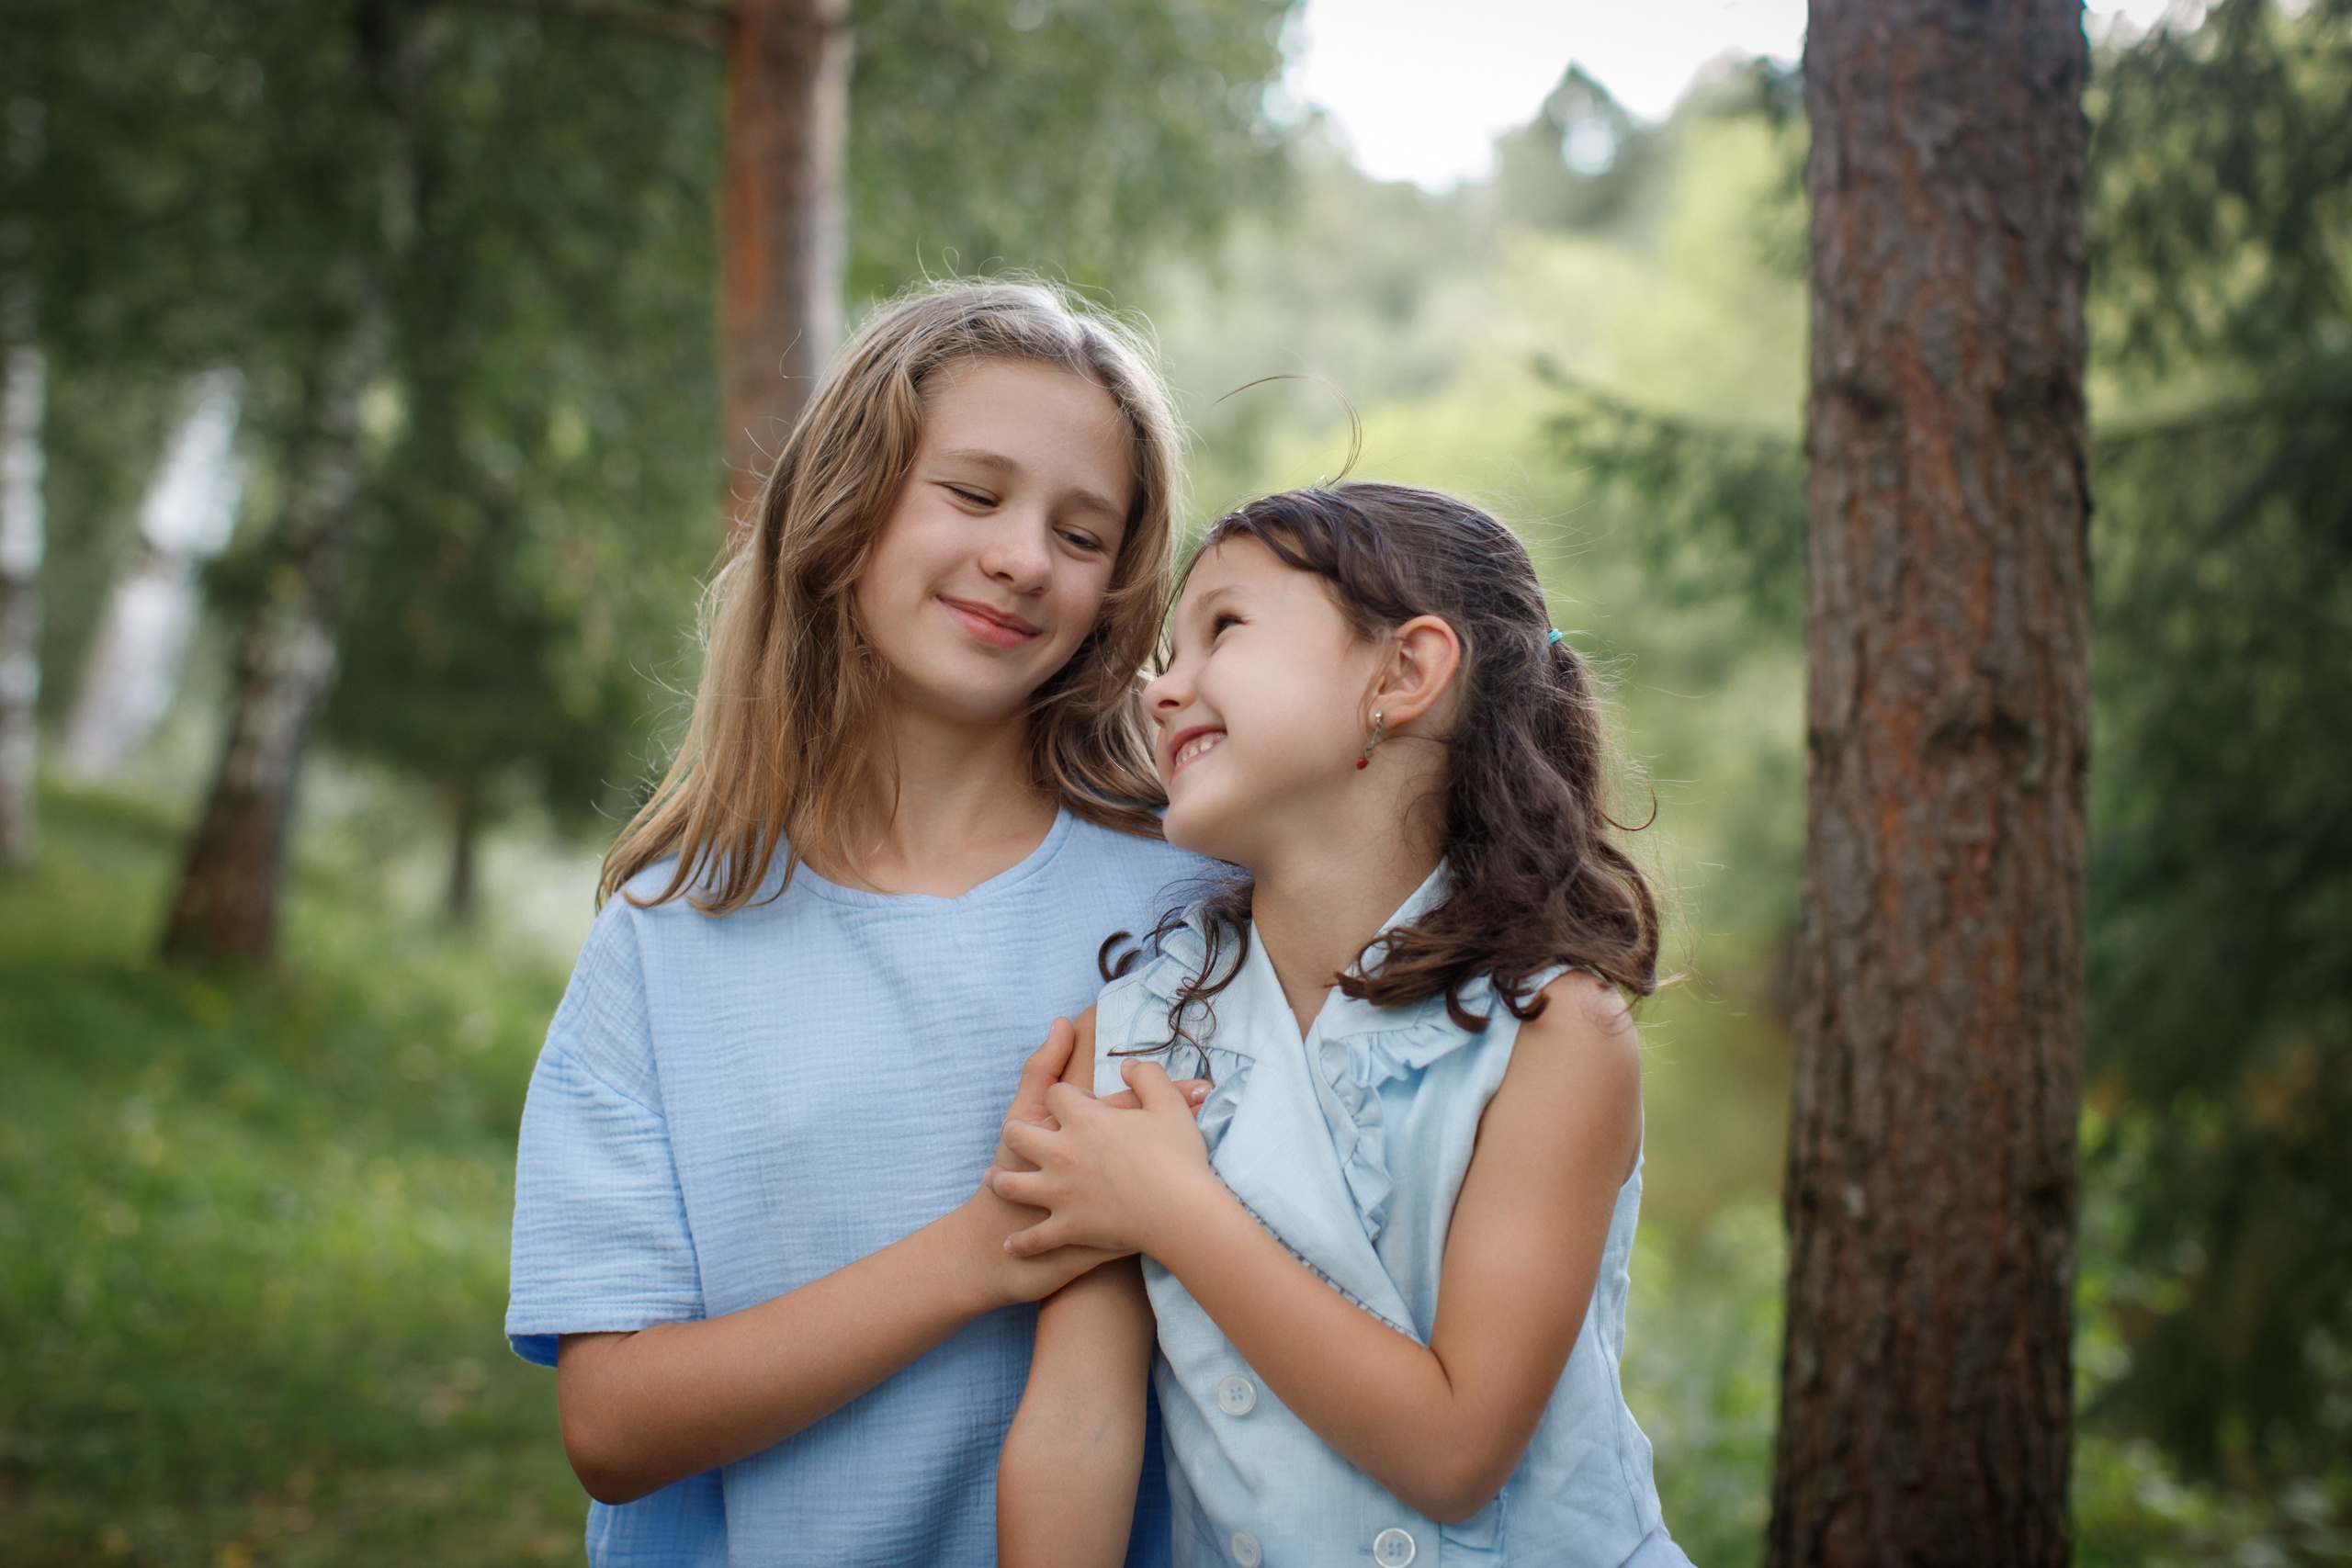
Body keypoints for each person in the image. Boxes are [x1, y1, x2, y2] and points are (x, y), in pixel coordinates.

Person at [505, 279, 1207, 1567]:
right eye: (975, 493)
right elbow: (611, 1421)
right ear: (848, 506)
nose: (1022, 558)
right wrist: (980, 1253)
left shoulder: (1188, 902)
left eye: (1083, 531)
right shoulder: (670, 939)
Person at [990, 483, 1695, 1568]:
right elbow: (1078, 1428)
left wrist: (1174, 1209)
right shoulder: (1127, 1034)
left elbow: (1456, 1451)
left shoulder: (1555, 1033)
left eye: (1220, 628)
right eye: (1167, 653)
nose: (1160, 688)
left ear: (1403, 673)